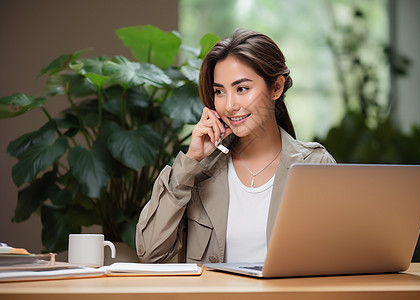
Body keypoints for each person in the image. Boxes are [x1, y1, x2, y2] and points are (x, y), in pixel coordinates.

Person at [136, 29, 335, 264]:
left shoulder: (314, 165)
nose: (229, 105)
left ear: (276, 88)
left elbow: (337, 257)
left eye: (242, 89)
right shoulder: (198, 171)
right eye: (219, 91)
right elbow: (150, 252)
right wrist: (189, 162)